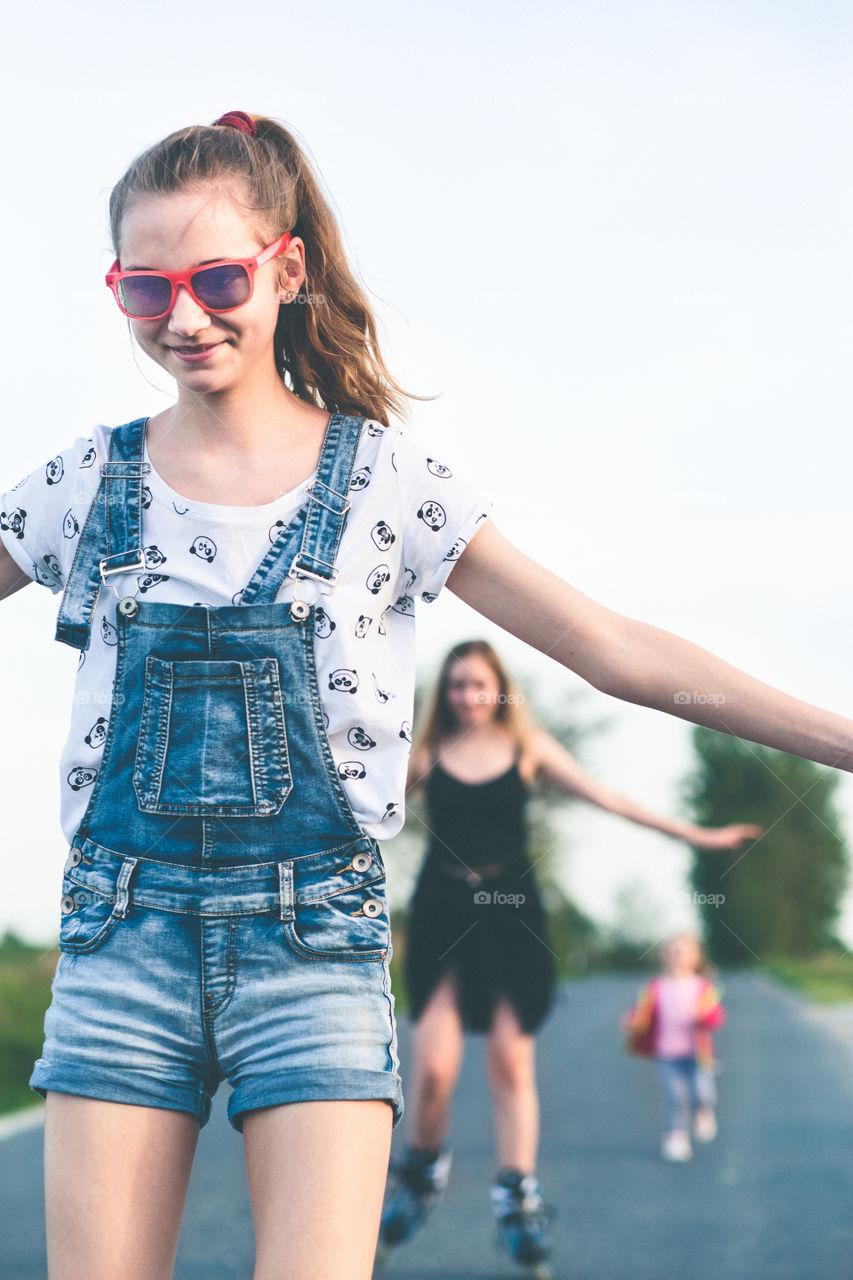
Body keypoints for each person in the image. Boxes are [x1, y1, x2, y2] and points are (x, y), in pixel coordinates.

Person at [0, 108, 850, 1280]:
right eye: (145, 291)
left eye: (217, 277)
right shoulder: (85, 480)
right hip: (117, 942)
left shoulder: (387, 483)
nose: (183, 316)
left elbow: (616, 651)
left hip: (315, 950)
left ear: (286, 267)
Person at [379, 640, 758, 1269]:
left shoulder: (528, 749)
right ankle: (422, 1171)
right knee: (436, 1065)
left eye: (478, 684)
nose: (467, 695)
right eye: (455, 685)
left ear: (499, 688)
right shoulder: (425, 754)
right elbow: (360, 807)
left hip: (512, 912)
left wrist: (698, 834)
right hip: (443, 909)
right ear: (442, 692)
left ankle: (516, 1195)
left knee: (510, 1059)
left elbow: (612, 800)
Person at [622, 933, 726, 1162]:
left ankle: (702, 1111)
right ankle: (676, 1136)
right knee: (674, 1096)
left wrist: (704, 1016)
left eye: (683, 952)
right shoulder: (655, 988)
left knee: (702, 1091)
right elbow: (641, 1012)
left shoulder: (702, 988)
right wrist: (632, 1020)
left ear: (695, 958)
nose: (677, 956)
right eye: (673, 952)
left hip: (697, 1054)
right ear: (664, 957)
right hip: (667, 1053)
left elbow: (717, 1016)